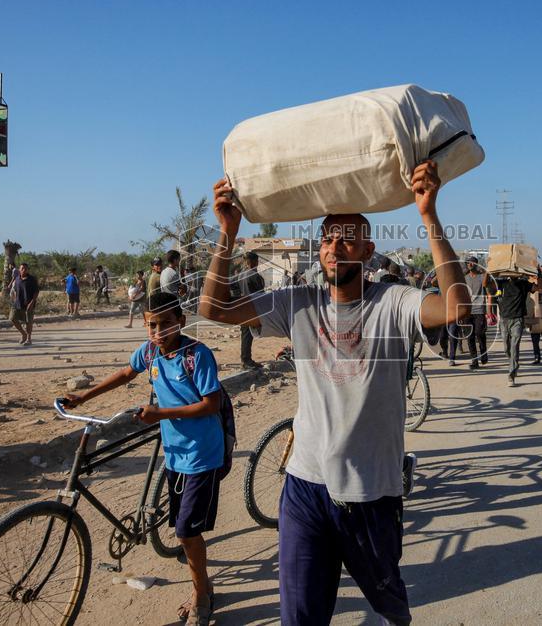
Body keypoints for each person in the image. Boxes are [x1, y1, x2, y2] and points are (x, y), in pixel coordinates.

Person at [199, 161, 469, 626]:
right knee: (300, 618)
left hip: (371, 492)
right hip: (304, 487)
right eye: (327, 238)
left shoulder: (393, 301)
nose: (334, 247)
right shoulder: (297, 304)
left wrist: (429, 215)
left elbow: (455, 306)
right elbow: (212, 308)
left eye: (346, 238)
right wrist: (228, 231)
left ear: (368, 249)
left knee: (390, 606)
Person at [65, 291, 225, 626]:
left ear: (180, 321)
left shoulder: (197, 355)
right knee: (183, 527)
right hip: (174, 453)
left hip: (202, 455)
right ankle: (203, 581)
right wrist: (84, 396)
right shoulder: (150, 351)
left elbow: (212, 404)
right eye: (152, 325)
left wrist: (161, 413)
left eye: (166, 324)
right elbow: (126, 373)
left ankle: (201, 594)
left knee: (186, 533)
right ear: (145, 325)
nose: (158, 331)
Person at [498, 273, 540, 385]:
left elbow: (538, 288)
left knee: (514, 346)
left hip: (518, 319)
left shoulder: (524, 284)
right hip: (504, 319)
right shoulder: (501, 282)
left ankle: (511, 375)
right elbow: (485, 284)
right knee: (506, 348)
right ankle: (514, 363)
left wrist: (538, 274)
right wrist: (488, 272)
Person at [232, 252, 265, 370]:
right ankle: (246, 360)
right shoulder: (255, 276)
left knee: (245, 334)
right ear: (254, 262)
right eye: (257, 261)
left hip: (242, 308)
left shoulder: (240, 275)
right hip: (252, 309)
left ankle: (246, 358)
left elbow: (233, 287)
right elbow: (261, 295)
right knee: (248, 335)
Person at [462, 256, 491, 368]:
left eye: (472, 262)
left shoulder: (482, 276)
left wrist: (487, 268)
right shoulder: (464, 278)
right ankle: (475, 361)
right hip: (467, 311)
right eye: (468, 263)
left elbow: (484, 284)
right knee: (469, 337)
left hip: (479, 310)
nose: (469, 264)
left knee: (479, 333)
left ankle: (483, 353)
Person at [10, 263, 39, 345]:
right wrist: (14, 299)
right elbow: (15, 290)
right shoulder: (17, 279)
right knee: (12, 318)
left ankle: (29, 339)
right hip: (17, 303)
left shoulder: (32, 279)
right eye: (22, 268)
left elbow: (36, 292)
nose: (24, 270)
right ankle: (23, 334)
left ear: (28, 269)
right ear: (19, 269)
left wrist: (32, 302)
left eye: (25, 268)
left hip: (29, 304)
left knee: (28, 322)